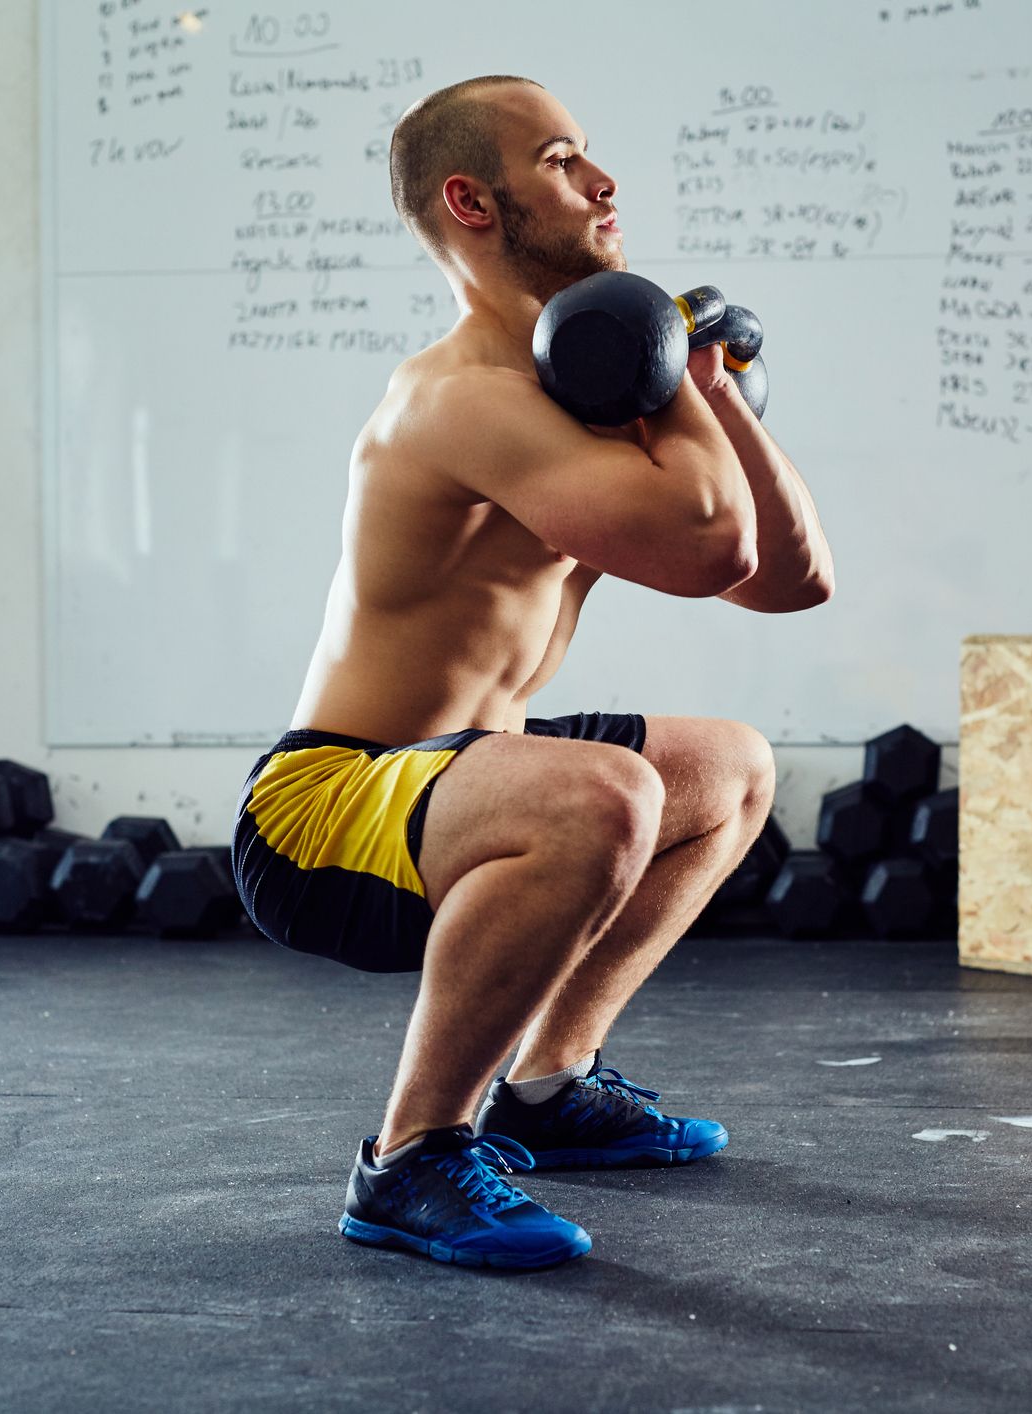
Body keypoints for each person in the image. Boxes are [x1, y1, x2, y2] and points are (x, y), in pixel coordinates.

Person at [230, 75, 834, 1269]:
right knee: (608, 790)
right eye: (562, 162)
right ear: (473, 201)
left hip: (467, 770)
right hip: (326, 809)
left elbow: (789, 577)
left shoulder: (587, 397)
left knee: (730, 769)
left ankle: (551, 1088)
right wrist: (670, 373)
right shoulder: (459, 402)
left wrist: (703, 387)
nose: (604, 185)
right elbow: (714, 542)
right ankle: (410, 1157)